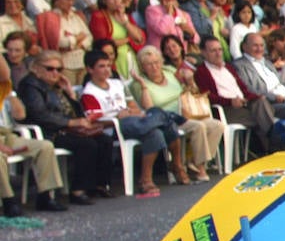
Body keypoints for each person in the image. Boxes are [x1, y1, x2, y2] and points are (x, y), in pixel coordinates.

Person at [81, 48, 189, 195]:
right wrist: (119, 115)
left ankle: (147, 179)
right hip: (114, 127)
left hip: (135, 121)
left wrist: (131, 113)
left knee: (155, 132)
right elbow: (94, 120)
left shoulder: (117, 84)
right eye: (101, 66)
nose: (107, 70)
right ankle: (166, 119)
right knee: (161, 119)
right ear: (90, 69)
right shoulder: (89, 92)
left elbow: (134, 107)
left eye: (108, 65)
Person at [17, 50, 113, 202]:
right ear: (36, 68)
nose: (55, 73)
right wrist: (70, 123)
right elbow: (39, 114)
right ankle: (78, 190)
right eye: (50, 68)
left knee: (104, 140)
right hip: (48, 132)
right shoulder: (30, 85)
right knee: (86, 145)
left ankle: (99, 185)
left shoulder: (56, 85)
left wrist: (70, 93)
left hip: (66, 129)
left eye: (59, 69)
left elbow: (76, 112)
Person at [129, 44, 222, 181]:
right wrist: (143, 86)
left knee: (216, 125)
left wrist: (189, 81)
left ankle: (194, 161)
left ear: (161, 62)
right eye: (148, 64)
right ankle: (201, 169)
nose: (154, 67)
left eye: (156, 62)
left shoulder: (170, 73)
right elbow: (149, 109)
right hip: (168, 119)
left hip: (187, 112)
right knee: (199, 126)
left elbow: (187, 92)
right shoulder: (138, 84)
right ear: (142, 67)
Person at [193, 37, 276, 156]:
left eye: (220, 50)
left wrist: (256, 97)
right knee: (263, 116)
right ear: (204, 53)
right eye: (213, 51)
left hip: (244, 104)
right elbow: (208, 97)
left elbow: (244, 90)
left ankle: (269, 147)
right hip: (225, 109)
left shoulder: (228, 67)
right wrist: (230, 102)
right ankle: (272, 146)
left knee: (261, 102)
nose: (218, 54)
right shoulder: (202, 72)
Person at [0, 72, 66, 214]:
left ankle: (45, 196)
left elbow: (20, 115)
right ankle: (8, 201)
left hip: (8, 135)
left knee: (45, 146)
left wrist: (11, 95)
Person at [35, 0, 93, 87]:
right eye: (67, 0)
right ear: (57, 0)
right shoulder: (50, 17)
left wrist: (78, 45)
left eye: (72, 0)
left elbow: (88, 36)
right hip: (64, 65)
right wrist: (77, 38)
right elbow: (60, 41)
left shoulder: (76, 16)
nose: (70, 3)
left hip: (82, 62)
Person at [88, 0, 147, 80]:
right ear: (104, 0)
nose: (117, 1)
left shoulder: (124, 15)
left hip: (129, 58)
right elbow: (104, 44)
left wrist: (125, 23)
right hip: (113, 60)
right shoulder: (99, 16)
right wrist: (128, 39)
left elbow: (139, 38)